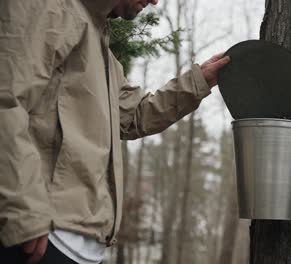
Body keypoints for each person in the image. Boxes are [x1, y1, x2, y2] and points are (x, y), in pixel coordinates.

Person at [0, 0, 230, 263]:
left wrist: (201, 80)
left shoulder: (98, 45)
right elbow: (7, 103)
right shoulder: (48, 7)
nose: (156, 1)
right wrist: (24, 212)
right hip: (39, 240)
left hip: (82, 247)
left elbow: (134, 114)